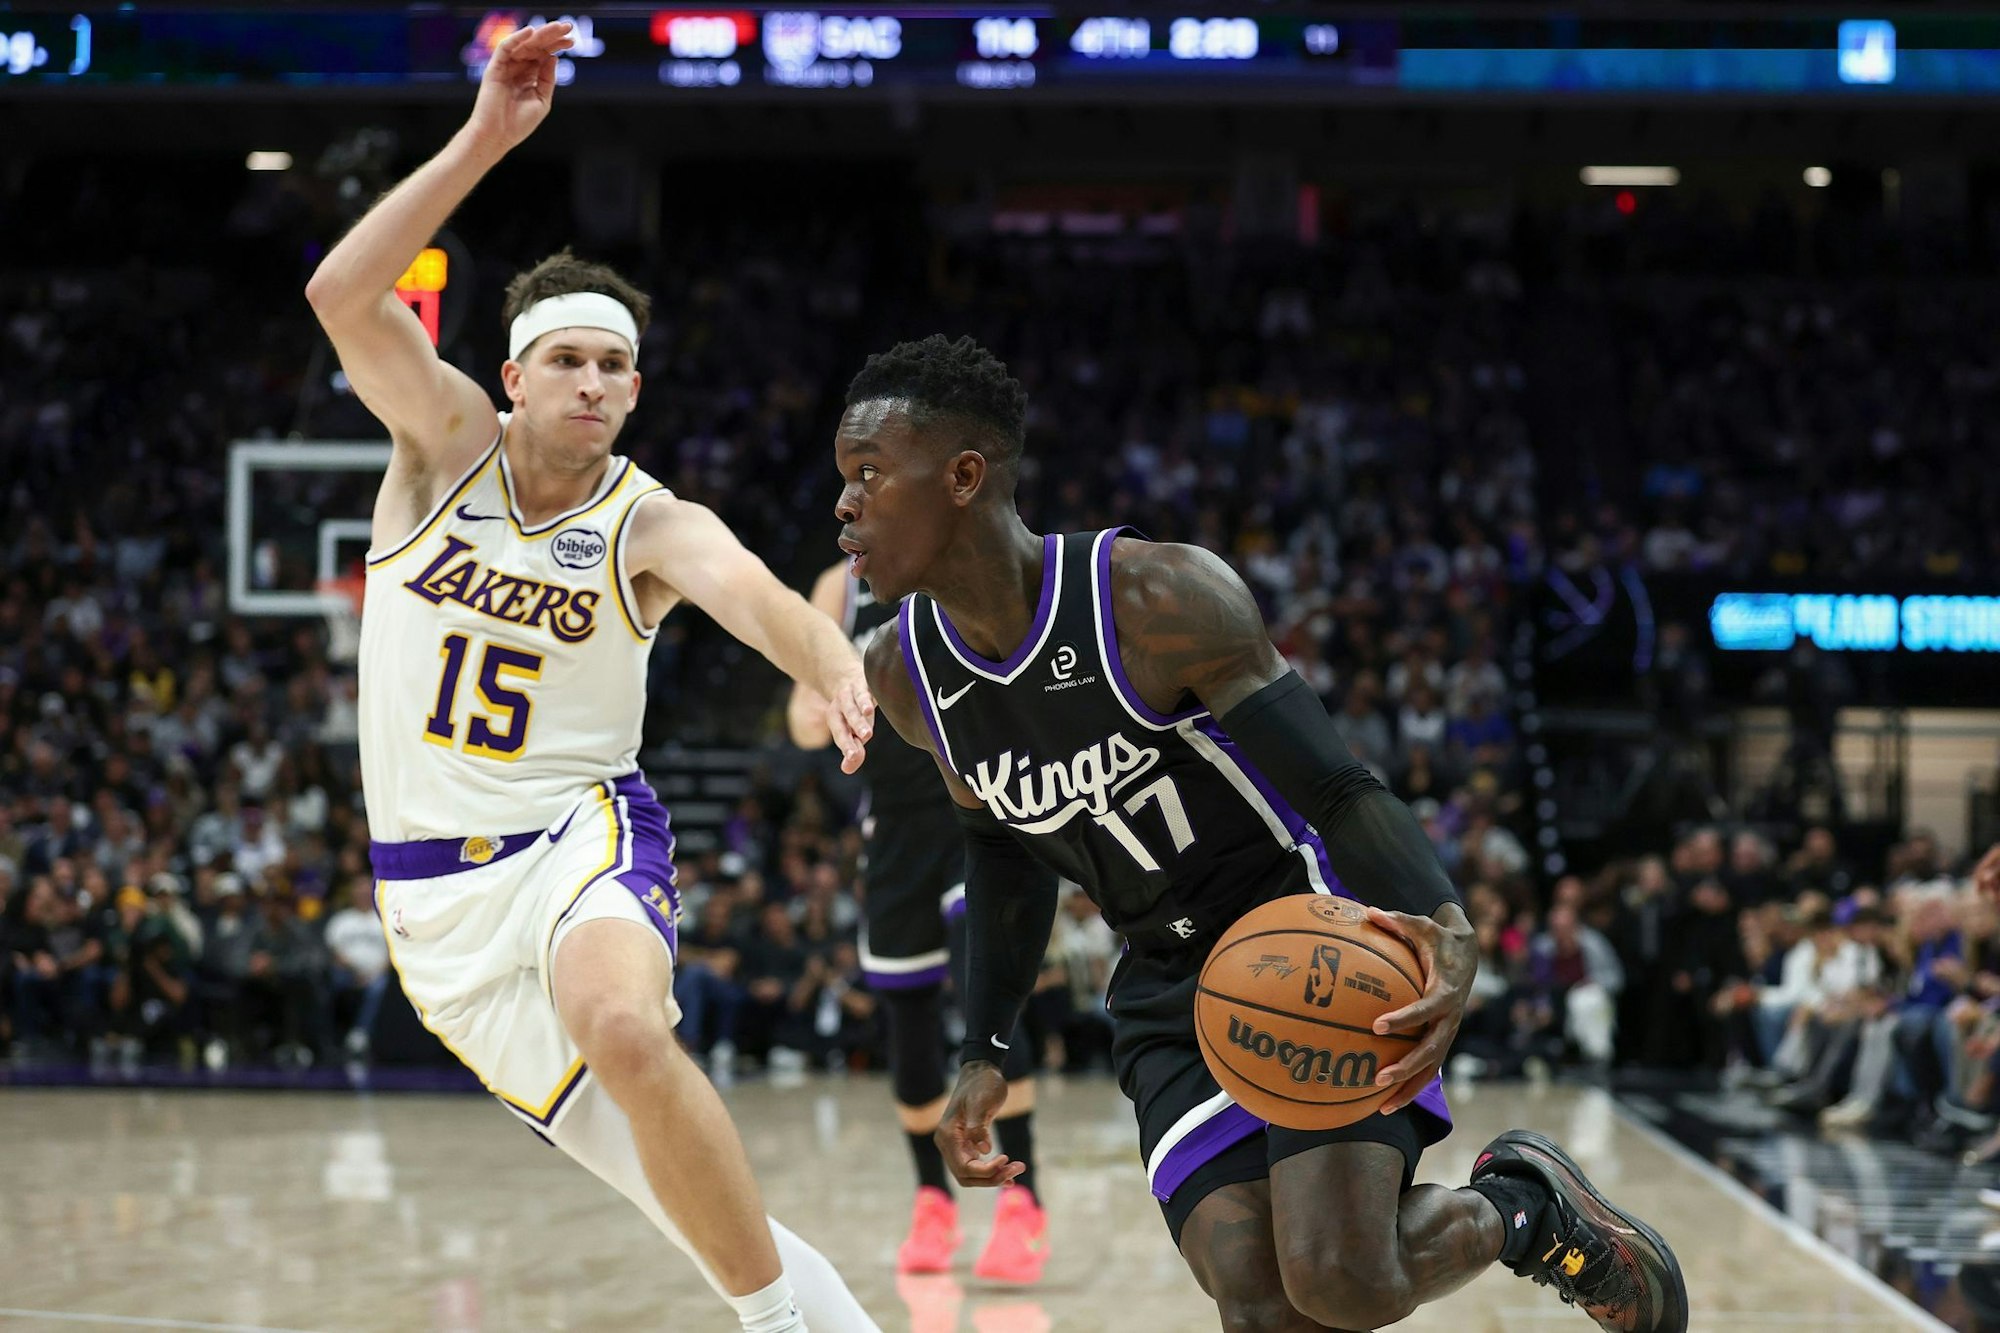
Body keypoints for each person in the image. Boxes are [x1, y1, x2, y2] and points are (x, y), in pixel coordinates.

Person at [832, 333, 1688, 1332]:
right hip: (1162, 985)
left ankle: (1524, 1211)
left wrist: (1440, 918)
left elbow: (1334, 784)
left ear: (965, 477)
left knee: (1340, 1278)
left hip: (1307, 928)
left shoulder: (1153, 600)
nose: (843, 505)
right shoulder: (904, 675)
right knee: (1259, 1305)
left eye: (867, 475)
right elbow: (996, 848)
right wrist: (982, 1046)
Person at [304, 22, 878, 1332]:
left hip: (578, 836)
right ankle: (802, 1311)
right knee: (703, 1214)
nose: (596, 380)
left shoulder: (646, 520)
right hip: (435, 917)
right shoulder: (442, 446)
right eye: (569, 357)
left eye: (617, 363)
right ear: (509, 378)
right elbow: (342, 295)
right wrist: (489, 137)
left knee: (624, 1025)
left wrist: (834, 659)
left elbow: (758, 597)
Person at [790, 563, 1052, 1282]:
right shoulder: (836, 589)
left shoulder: (957, 556)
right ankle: (931, 1200)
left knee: (984, 985)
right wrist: (814, 711)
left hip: (976, 806)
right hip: (895, 829)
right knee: (903, 1018)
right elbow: (801, 716)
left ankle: (1022, 1202)